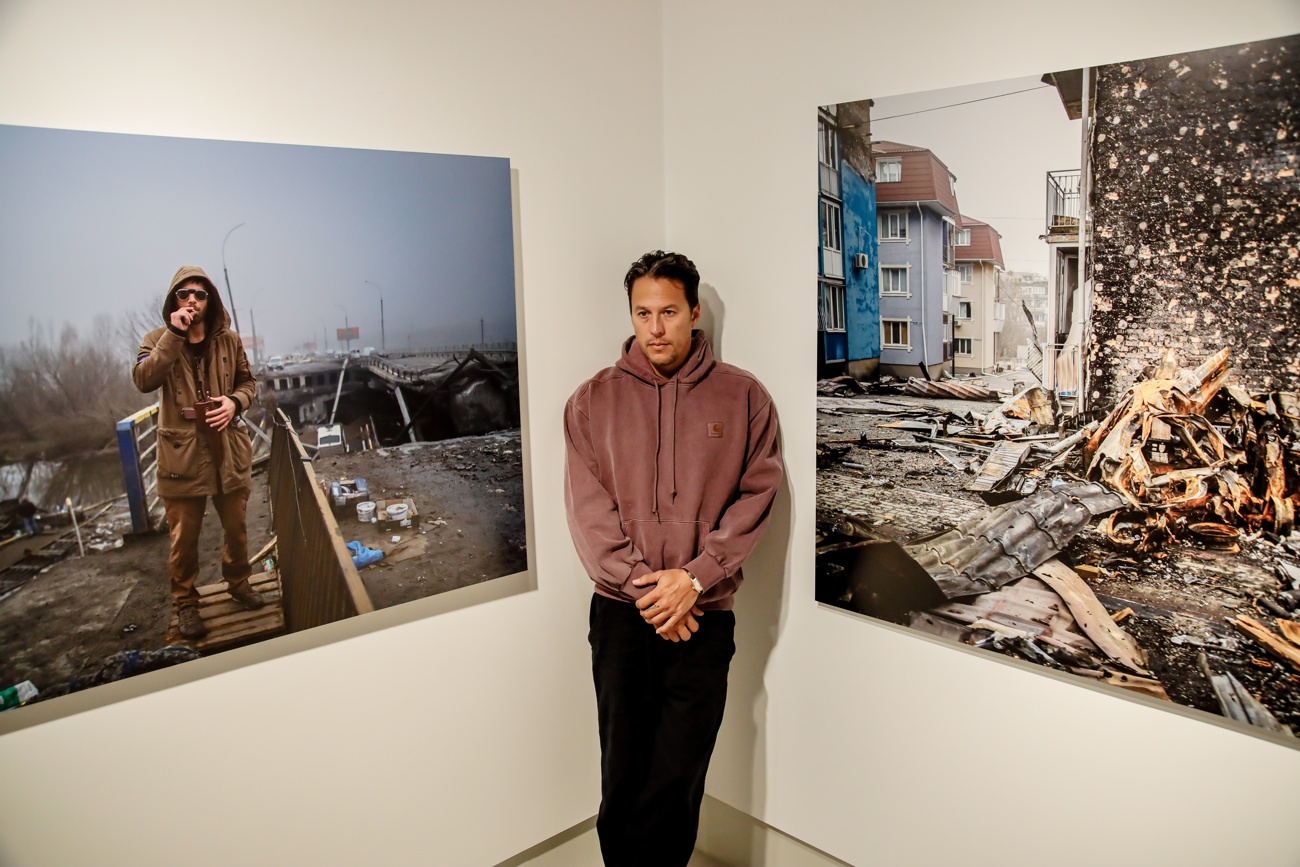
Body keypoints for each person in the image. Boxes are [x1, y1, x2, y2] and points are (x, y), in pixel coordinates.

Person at [564, 251, 782, 866]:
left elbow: (756, 497)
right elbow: (589, 513)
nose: (655, 328)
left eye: (667, 312)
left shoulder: (744, 398)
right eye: (642, 313)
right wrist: (651, 591)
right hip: (621, 618)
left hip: (705, 617)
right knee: (624, 771)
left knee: (679, 775)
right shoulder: (591, 402)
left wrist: (695, 578)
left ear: (692, 313)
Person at [132, 266, 263, 641]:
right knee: (184, 541)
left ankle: (238, 584)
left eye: (200, 294)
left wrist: (235, 403)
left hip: (226, 450)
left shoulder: (230, 340)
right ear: (173, 300)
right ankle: (186, 603)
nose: (192, 300)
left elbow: (248, 382)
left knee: (237, 530)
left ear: (210, 300)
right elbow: (143, 380)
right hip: (182, 457)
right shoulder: (156, 339)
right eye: (184, 293)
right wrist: (174, 334)